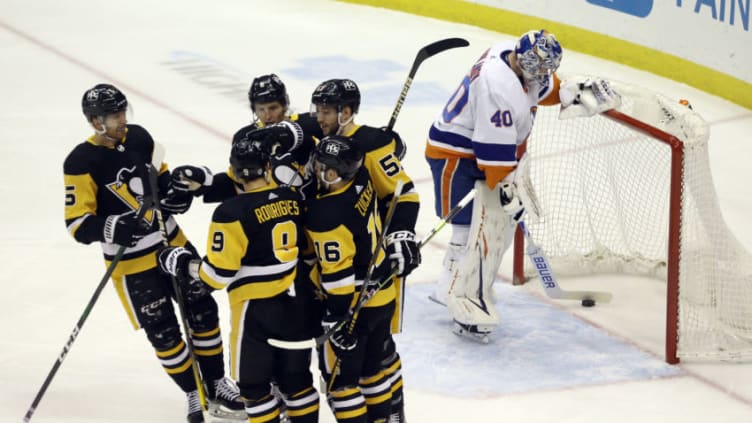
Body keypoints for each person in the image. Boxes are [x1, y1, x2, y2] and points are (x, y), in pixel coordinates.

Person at [63, 84, 245, 422]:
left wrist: (177, 194)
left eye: (122, 111)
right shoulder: (80, 162)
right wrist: (116, 225)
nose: (121, 120)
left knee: (203, 313)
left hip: (172, 244)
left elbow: (161, 186)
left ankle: (217, 383)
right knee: (163, 333)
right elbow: (77, 224)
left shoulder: (140, 138)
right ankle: (194, 391)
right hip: (132, 265)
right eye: (113, 115)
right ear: (94, 121)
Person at [425, 29, 620, 342]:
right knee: (469, 230)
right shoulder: (497, 87)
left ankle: (447, 288)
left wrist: (566, 92)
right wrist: (508, 192)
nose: (539, 77)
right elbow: (493, 153)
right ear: (522, 59)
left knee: (492, 233)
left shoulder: (514, 56)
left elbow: (540, 88)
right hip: (455, 155)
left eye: (544, 71)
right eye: (535, 70)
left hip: (478, 151)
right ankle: (459, 298)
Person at [157, 134, 320, 423]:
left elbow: (216, 276)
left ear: (233, 171)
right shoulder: (292, 197)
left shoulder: (230, 213)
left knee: (254, 389)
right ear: (268, 167)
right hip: (297, 304)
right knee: (298, 384)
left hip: (255, 312)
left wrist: (181, 263)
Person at [311, 78, 420, 422]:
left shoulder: (371, 145)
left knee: (380, 353)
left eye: (326, 111)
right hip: (341, 265)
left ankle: (395, 413)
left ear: (346, 111)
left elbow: (405, 193)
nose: (319, 117)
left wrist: (401, 233)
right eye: (318, 110)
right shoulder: (324, 141)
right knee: (368, 360)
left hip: (374, 267)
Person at [305, 135, 398, 423]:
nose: (313, 167)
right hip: (383, 293)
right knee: (373, 373)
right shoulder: (362, 176)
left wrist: (336, 317)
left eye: (319, 164)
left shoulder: (325, 215)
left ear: (332, 173)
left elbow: (339, 276)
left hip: (355, 305)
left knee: (341, 385)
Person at [170, 73, 323, 204]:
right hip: (271, 218)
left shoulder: (312, 124)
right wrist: (205, 182)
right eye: (260, 109)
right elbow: (239, 182)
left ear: (285, 104)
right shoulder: (246, 137)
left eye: (273, 108)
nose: (267, 115)